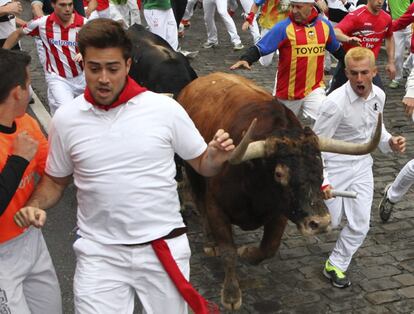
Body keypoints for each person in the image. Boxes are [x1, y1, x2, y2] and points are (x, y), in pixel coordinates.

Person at [14, 18, 234, 314]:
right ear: (83, 64)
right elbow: (55, 182)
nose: (103, 78)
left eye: (112, 68)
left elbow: (202, 165)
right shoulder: (66, 118)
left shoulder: (165, 110)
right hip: (100, 254)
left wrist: (215, 158)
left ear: (128, 65)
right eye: (94, 68)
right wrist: (36, 203)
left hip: (163, 247)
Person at [313, 47, 406, 288]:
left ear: (374, 72)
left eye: (365, 72)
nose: (359, 79)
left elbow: (376, 130)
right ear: (346, 72)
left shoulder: (380, 96)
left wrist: (390, 141)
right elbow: (315, 146)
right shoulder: (333, 104)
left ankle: (336, 263)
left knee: (361, 223)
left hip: (363, 166)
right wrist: (322, 181)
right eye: (354, 73)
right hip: (334, 167)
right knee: (329, 222)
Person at [0, 48, 62, 314]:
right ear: (17, 92)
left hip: (32, 241)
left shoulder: (26, 123)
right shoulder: (16, 147)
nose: (29, 91)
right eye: (28, 84)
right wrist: (18, 160)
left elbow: (55, 170)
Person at [231, 0, 345, 121]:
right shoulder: (283, 27)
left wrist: (351, 61)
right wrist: (246, 59)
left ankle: (315, 139)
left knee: (329, 117)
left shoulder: (324, 26)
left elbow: (336, 49)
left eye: (298, 7)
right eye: (292, 6)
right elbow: (261, 48)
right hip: (288, 93)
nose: (294, 10)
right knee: (280, 130)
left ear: (311, 6)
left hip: (314, 88)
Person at [3, 0, 87, 115]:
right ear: (53, 5)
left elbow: (100, 44)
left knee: (87, 112)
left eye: (70, 4)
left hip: (83, 77)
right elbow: (18, 33)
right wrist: (3, 54)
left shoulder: (85, 23)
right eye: (62, 5)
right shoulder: (42, 23)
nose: (67, 9)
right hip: (58, 78)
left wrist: (85, 52)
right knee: (68, 112)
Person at [327, 0, 396, 93]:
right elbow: (335, 32)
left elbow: (389, 37)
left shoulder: (386, 18)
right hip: (349, 64)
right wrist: (347, 39)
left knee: (379, 93)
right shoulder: (357, 15)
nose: (380, 2)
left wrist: (391, 62)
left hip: (368, 65)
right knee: (334, 95)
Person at [241, 0, 289, 66]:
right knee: (265, 62)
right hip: (269, 27)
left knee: (286, 58)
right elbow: (256, 4)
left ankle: (280, 75)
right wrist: (249, 19)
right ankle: (260, 44)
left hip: (287, 28)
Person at [387, 0, 411, 89]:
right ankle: (397, 79)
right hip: (396, 25)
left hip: (410, 24)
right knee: (397, 55)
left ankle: (407, 66)